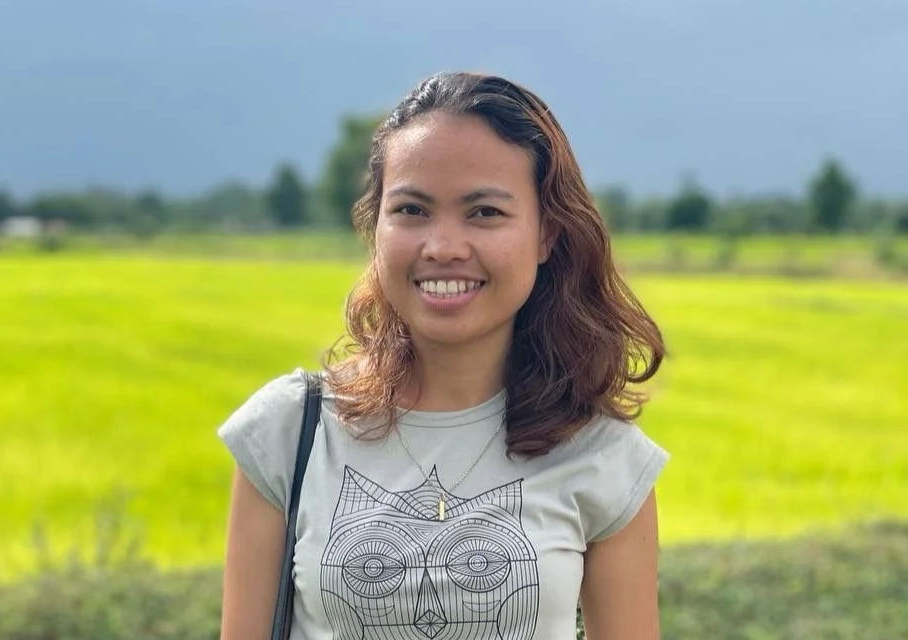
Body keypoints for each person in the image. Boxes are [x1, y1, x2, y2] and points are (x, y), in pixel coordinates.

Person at [217, 71, 669, 640]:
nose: (444, 248)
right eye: (411, 210)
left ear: (547, 235)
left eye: (485, 213)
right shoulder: (290, 430)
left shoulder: (602, 455)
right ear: (375, 227)